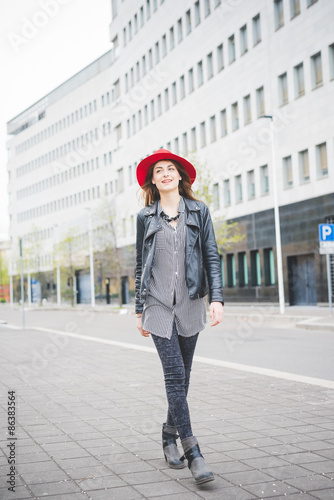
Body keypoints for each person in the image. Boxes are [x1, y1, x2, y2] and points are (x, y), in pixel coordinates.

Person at [135, 149, 224, 485]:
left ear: (180, 177)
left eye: (171, 168)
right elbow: (140, 265)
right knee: (174, 376)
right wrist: (138, 308)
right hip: (157, 305)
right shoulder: (145, 216)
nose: (166, 174)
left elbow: (211, 256)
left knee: (183, 377)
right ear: (153, 181)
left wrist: (217, 298)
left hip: (190, 302)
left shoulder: (199, 211)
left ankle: (168, 434)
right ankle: (194, 453)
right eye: (159, 170)